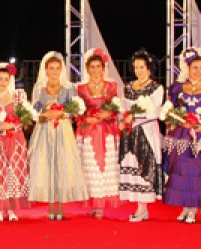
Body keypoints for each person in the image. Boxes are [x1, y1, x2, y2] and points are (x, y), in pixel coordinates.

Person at [162, 47, 201, 223]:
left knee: (198, 172)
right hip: (182, 133)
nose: (198, 71)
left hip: (200, 133)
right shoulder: (177, 88)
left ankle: (193, 209)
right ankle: (184, 207)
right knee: (182, 170)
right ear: (187, 68)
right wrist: (180, 121)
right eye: (194, 67)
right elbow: (169, 110)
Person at [28, 51, 87, 220]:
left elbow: (73, 109)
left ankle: (60, 205)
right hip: (45, 129)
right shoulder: (39, 88)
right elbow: (35, 109)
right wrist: (45, 115)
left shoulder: (69, 88)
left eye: (57, 68)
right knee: (46, 165)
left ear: (61, 69)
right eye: (51, 68)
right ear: (46, 70)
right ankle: (50, 206)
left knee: (62, 165)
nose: (54, 71)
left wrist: (60, 114)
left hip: (62, 129)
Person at [118, 49, 164, 222]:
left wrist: (134, 116)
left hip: (146, 130)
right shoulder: (128, 87)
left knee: (144, 165)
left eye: (142, 67)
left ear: (149, 67)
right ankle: (139, 207)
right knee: (132, 165)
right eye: (136, 67)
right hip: (130, 132)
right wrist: (122, 119)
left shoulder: (156, 87)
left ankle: (142, 208)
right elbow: (123, 109)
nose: (139, 70)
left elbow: (155, 111)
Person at [75, 48, 121, 219]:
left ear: (103, 68)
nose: (95, 70)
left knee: (105, 167)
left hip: (106, 131)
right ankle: (92, 203)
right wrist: (87, 118)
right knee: (90, 167)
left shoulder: (112, 86)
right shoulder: (80, 88)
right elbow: (78, 112)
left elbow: (116, 108)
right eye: (92, 67)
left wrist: (109, 114)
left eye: (98, 66)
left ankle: (101, 205)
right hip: (88, 132)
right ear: (87, 69)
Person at [0, 62, 30, 222]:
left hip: (15, 140)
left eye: (6, 79)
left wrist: (12, 125)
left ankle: (11, 209)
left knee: (13, 174)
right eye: (0, 79)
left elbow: (25, 118)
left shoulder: (18, 96)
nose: (3, 82)